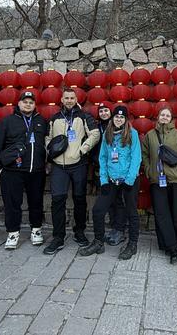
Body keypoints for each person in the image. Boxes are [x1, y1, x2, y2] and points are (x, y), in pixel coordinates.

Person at [79, 106, 141, 260]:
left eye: (122, 117)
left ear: (125, 119)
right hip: (112, 180)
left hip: (128, 180)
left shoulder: (132, 134)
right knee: (98, 210)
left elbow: (136, 158)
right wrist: (104, 181)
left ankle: (132, 244)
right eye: (116, 117)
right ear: (113, 118)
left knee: (131, 212)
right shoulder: (108, 133)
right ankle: (98, 242)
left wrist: (129, 180)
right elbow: (103, 158)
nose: (118, 119)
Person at [44, 88, 100, 255]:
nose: (69, 100)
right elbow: (47, 137)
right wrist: (50, 152)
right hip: (58, 166)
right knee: (57, 201)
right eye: (66, 98)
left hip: (78, 164)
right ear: (62, 100)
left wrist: (83, 150)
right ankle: (58, 237)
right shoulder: (54, 118)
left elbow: (95, 134)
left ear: (76, 100)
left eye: (72, 98)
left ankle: (79, 231)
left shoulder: (84, 116)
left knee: (79, 199)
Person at [0, 91, 48, 250]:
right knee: (12, 203)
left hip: (36, 170)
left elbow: (47, 143)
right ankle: (13, 232)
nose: (28, 104)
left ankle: (36, 230)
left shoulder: (41, 121)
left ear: (35, 105)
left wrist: (47, 163)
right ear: (19, 103)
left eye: (31, 102)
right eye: (25, 102)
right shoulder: (7, 121)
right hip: (12, 170)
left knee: (36, 202)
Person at [141, 106, 177, 264]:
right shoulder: (150, 135)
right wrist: (149, 171)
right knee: (161, 214)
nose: (164, 117)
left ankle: (172, 242)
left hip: (175, 180)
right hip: (157, 180)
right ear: (158, 117)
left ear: (171, 118)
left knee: (175, 213)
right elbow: (145, 155)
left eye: (167, 115)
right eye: (162, 115)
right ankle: (172, 248)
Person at [93, 103, 126, 246]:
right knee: (107, 200)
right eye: (101, 111)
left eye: (106, 110)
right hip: (102, 169)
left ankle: (119, 229)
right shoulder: (97, 127)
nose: (104, 113)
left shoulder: (120, 128)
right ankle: (113, 228)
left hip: (118, 171)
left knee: (118, 201)